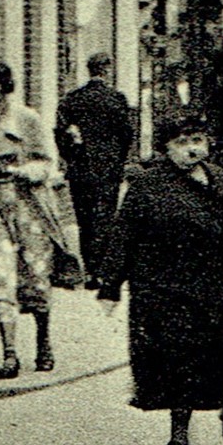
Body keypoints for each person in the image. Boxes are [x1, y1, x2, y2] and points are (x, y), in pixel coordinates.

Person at [97, 109, 223, 445]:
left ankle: (180, 436)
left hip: (206, 286)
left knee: (197, 361)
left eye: (197, 140)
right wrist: (110, 286)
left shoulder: (219, 180)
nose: (191, 149)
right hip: (160, 287)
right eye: (181, 143)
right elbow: (123, 235)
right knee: (177, 361)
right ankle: (179, 441)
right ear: (166, 148)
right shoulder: (148, 185)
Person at [0, 60, 69, 377]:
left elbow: (46, 162)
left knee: (36, 274)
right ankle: (9, 353)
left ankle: (43, 340)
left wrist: (23, 171)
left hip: (28, 206)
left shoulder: (27, 119)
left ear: (5, 87)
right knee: (0, 273)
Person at [55, 53, 135, 286]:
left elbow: (60, 133)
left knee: (84, 218)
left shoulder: (72, 99)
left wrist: (71, 158)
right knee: (105, 216)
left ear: (89, 70)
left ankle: (90, 270)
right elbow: (127, 134)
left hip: (80, 168)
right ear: (107, 71)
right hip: (108, 169)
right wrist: (119, 160)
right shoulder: (116, 99)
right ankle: (101, 270)